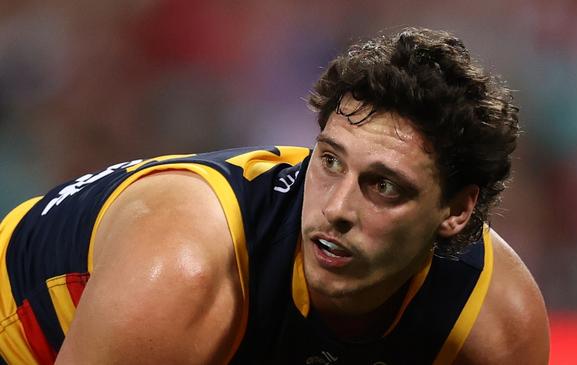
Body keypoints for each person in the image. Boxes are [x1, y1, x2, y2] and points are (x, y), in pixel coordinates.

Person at [0, 27, 549, 364]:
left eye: (383, 186)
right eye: (328, 161)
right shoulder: (185, 270)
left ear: (456, 211)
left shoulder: (495, 324)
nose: (335, 211)